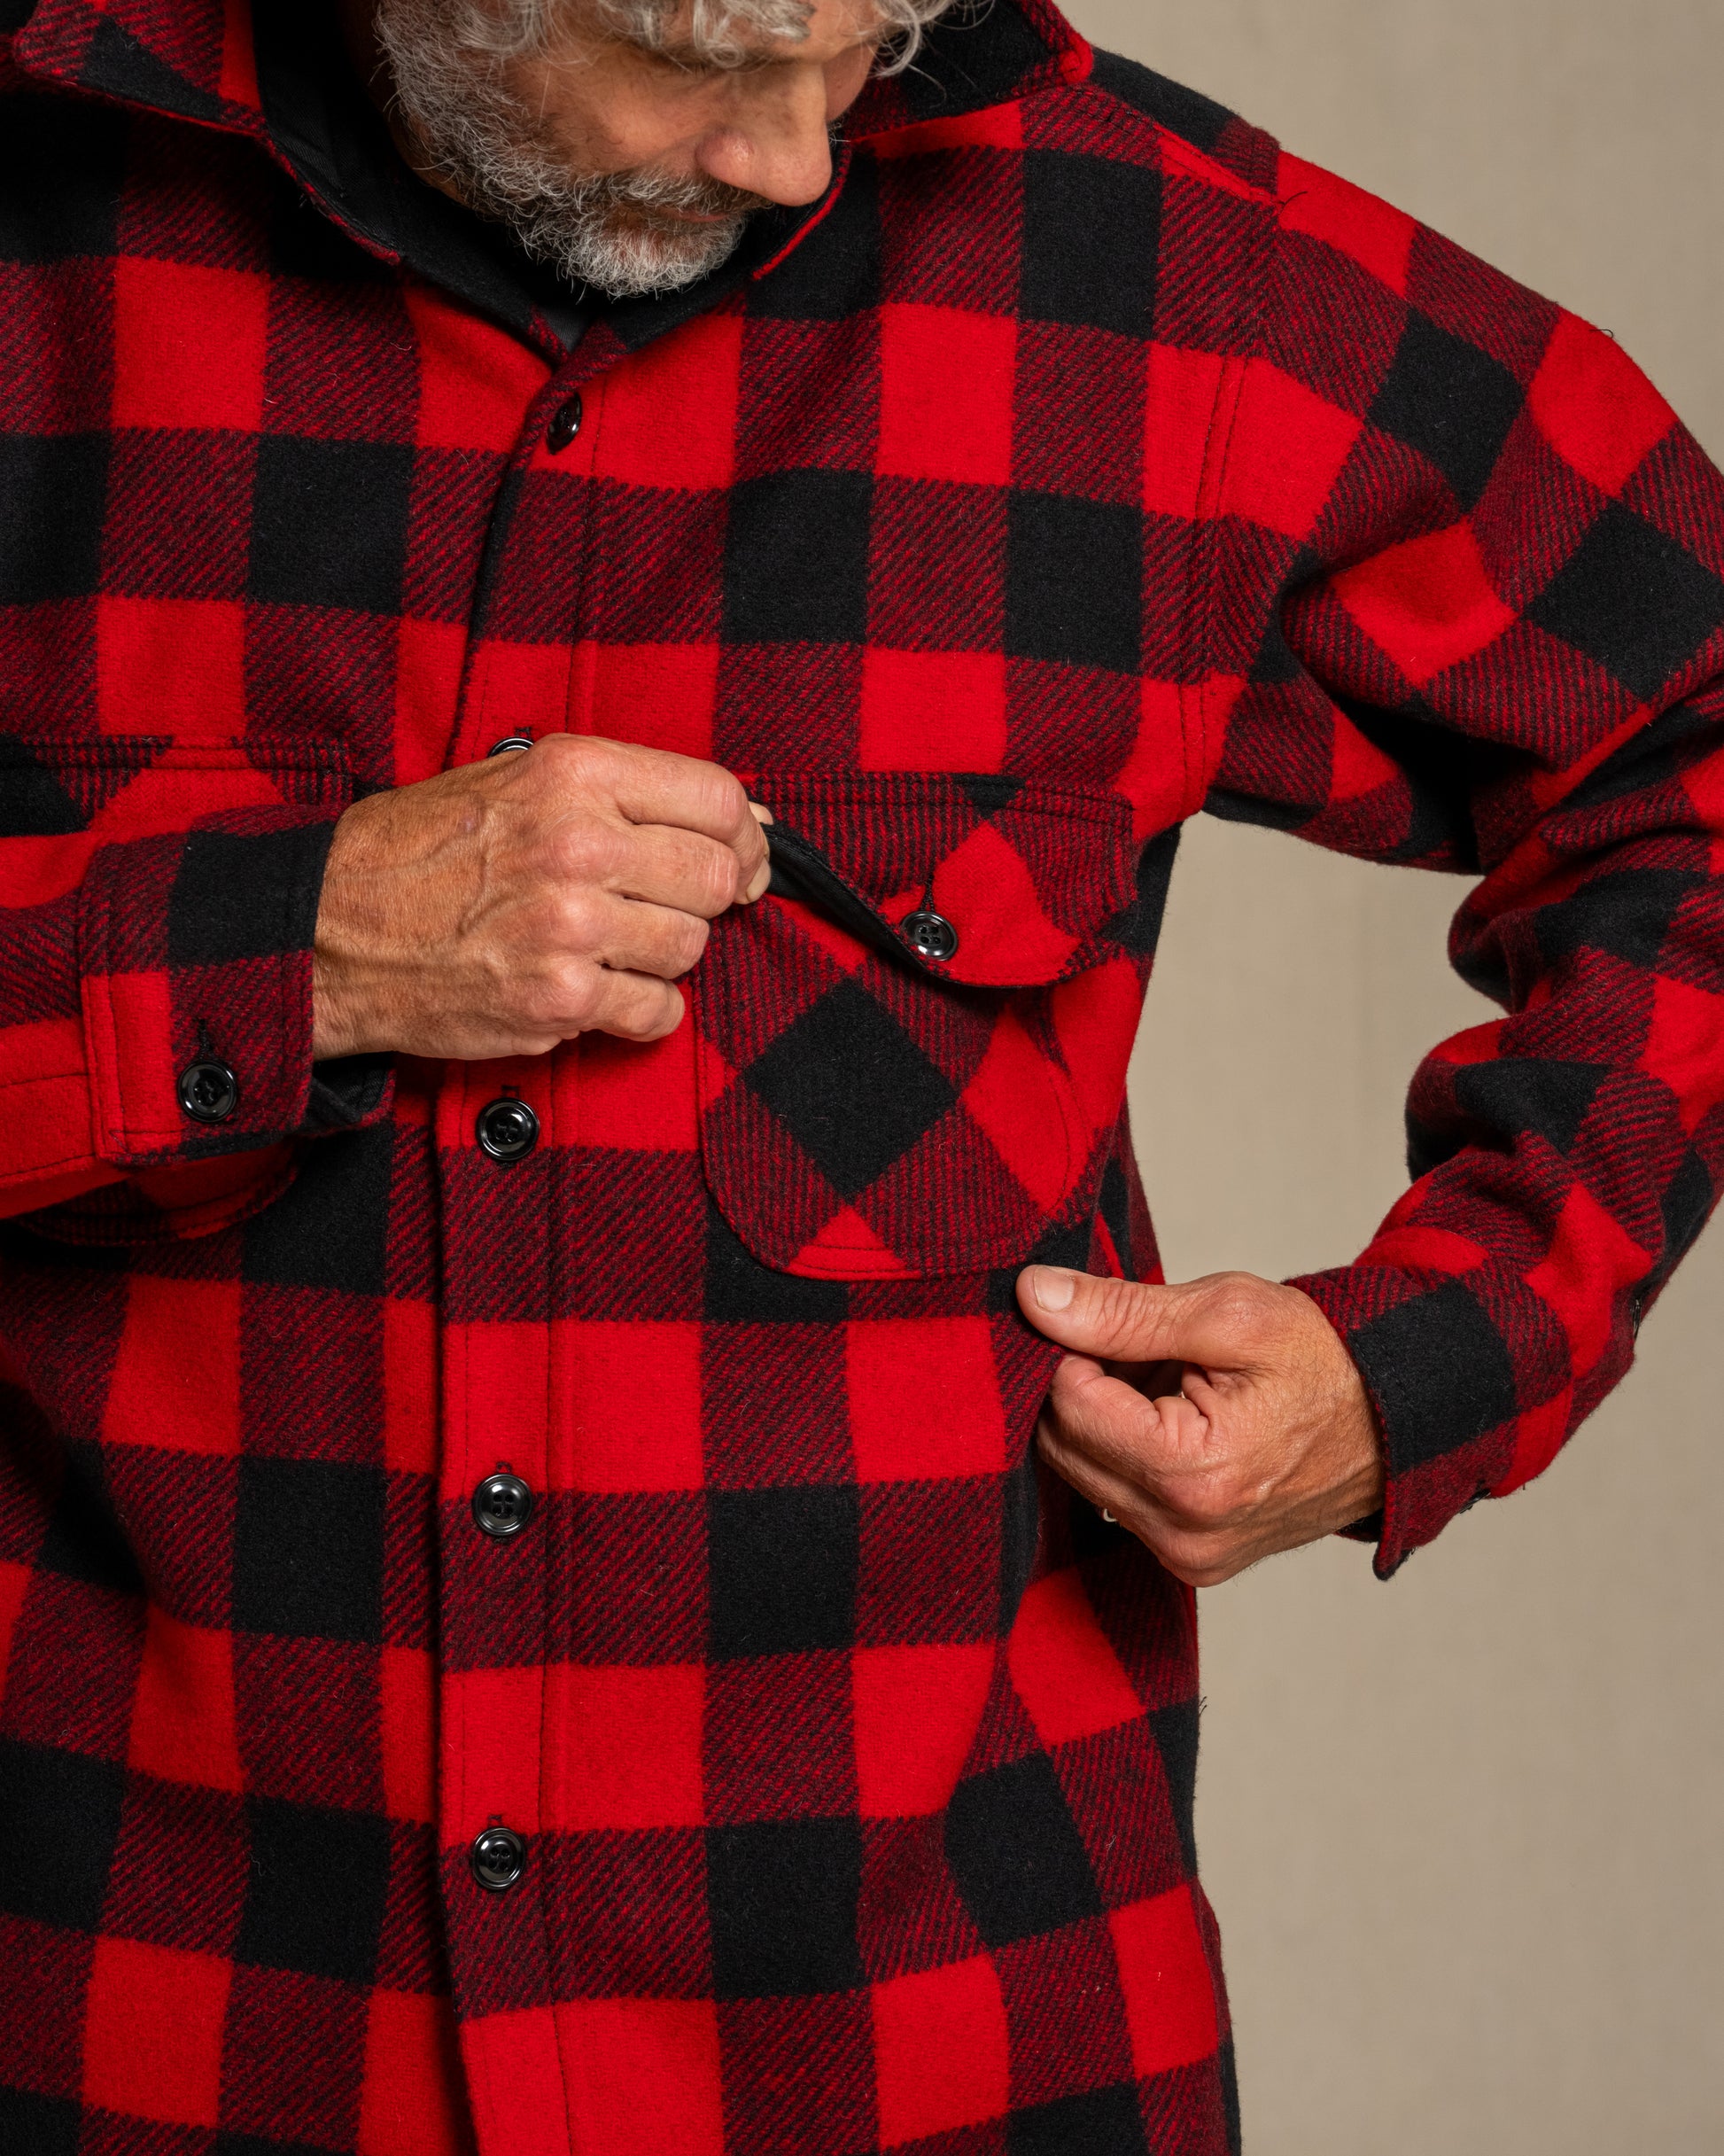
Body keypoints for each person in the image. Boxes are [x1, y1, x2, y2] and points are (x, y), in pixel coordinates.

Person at [1, 0, 1720, 2147]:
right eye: (700, 52)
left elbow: (1696, 738)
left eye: (868, 30)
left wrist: (1441, 1352)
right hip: (141, 2032)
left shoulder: (1165, 277)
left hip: (945, 2056)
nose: (805, 157)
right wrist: (280, 946)